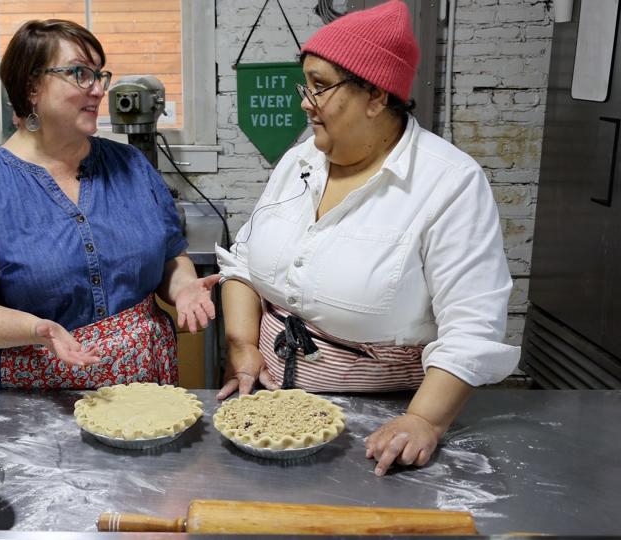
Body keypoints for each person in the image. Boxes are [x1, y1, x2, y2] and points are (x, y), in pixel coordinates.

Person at [215, 1, 520, 476]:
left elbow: (472, 329)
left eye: (320, 86)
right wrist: (242, 346)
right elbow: (242, 266)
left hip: (381, 421)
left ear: (376, 96)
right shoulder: (299, 163)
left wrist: (423, 420)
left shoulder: (448, 183)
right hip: (266, 401)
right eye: (306, 84)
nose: (304, 101)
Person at [0, 19, 218, 389]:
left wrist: (185, 287)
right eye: (80, 73)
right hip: (32, 404)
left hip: (143, 392)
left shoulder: (131, 166)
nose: (98, 90)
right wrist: (35, 328)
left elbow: (170, 257)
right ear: (32, 86)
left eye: (99, 75)